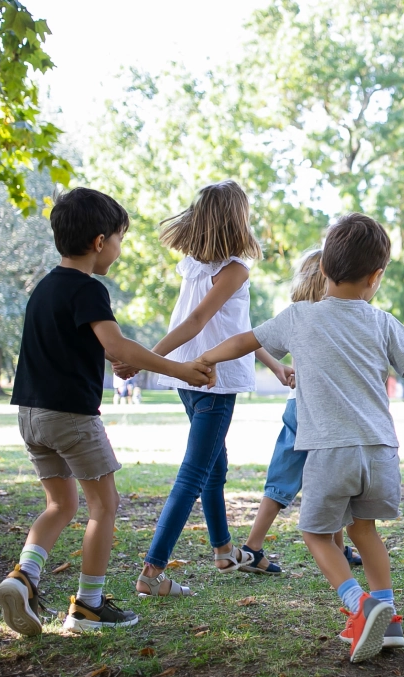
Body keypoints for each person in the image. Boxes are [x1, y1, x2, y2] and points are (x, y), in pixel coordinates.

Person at [198, 213, 404, 662]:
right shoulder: (382, 321)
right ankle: (388, 618)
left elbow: (245, 341)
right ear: (377, 277)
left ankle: (360, 604)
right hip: (380, 451)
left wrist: (208, 358)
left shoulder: (299, 317)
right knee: (365, 531)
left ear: (323, 271)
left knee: (315, 532)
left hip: (330, 451)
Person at [0, 187, 213, 636]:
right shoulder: (89, 289)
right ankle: (89, 605)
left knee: (59, 503)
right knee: (104, 506)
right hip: (71, 418)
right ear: (99, 242)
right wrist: (180, 369)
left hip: (30, 416)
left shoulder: (43, 289)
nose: (118, 247)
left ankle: (24, 577)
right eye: (119, 238)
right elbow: (116, 346)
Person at [127, 180, 292, 598]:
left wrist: (272, 363)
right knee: (195, 472)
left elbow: (236, 327)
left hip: (190, 375)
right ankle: (152, 571)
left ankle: (222, 550)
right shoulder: (233, 267)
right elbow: (197, 322)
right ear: (238, 218)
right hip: (211, 379)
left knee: (214, 468)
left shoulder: (194, 265)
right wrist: (145, 358)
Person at [241, 249, 363, 576]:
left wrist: (279, 367)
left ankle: (254, 546)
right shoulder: (336, 313)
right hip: (321, 410)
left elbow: (254, 340)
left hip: (297, 405)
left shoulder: (297, 313)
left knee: (289, 477)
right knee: (331, 474)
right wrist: (282, 368)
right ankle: (258, 547)